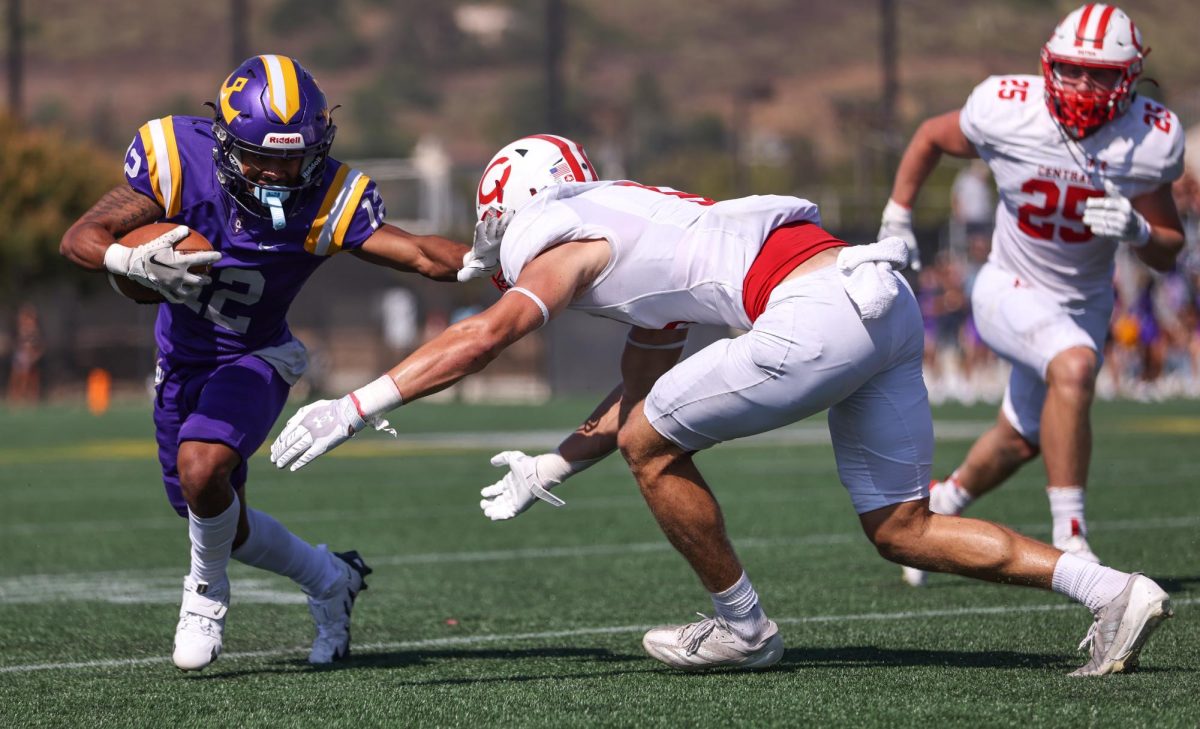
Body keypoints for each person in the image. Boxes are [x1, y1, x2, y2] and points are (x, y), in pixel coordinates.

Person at [270, 133, 1172, 676]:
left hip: (817, 308)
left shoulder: (559, 233)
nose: (495, 243)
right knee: (901, 527)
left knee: (656, 445)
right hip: (876, 297)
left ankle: (743, 628)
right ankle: (1113, 590)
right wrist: (553, 461)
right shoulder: (632, 221)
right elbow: (635, 391)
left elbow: (491, 332)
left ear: (516, 205)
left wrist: (355, 406)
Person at [59, 55, 468, 671]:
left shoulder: (328, 196)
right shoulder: (177, 161)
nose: (279, 172)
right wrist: (128, 261)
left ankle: (204, 595)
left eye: (292, 157)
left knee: (204, 468)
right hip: (180, 361)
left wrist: (504, 258)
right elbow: (80, 238)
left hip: (259, 354)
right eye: (261, 156)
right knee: (217, 513)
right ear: (223, 141)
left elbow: (418, 254)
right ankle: (331, 577)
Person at [876, 4, 1185, 586]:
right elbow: (929, 137)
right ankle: (1073, 541)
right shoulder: (1007, 108)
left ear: (1131, 77)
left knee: (1022, 439)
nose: (1083, 85)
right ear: (1048, 64)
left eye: (1101, 74)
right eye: (1070, 69)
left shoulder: (1150, 137)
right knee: (1073, 367)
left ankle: (942, 502)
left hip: (1084, 300)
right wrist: (897, 216)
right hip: (1007, 284)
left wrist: (1140, 230)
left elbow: (1168, 249)